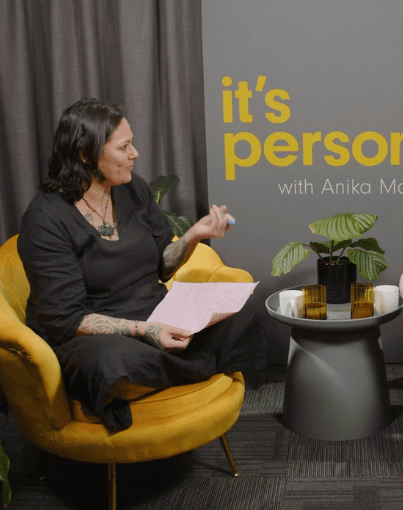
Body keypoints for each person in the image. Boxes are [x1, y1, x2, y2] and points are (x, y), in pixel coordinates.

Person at [19, 98, 268, 431]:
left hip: (154, 310)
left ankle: (159, 371)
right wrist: (148, 332)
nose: (135, 154)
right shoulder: (45, 218)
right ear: (85, 154)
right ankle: (179, 364)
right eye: (124, 147)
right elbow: (65, 319)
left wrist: (195, 234)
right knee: (110, 364)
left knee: (244, 308)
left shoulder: (132, 189)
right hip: (96, 333)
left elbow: (162, 265)